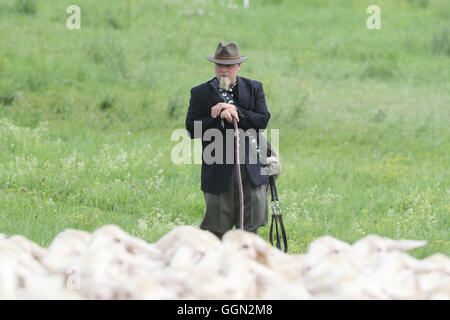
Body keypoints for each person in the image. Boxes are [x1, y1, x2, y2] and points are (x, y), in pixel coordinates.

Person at [185, 41, 271, 239]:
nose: (223, 70)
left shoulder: (254, 88)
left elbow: (262, 120)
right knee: (215, 232)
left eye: (229, 66)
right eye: (219, 65)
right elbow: (192, 129)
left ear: (238, 66)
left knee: (249, 233)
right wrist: (217, 117)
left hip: (250, 169)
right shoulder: (200, 93)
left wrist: (235, 111)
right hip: (217, 170)